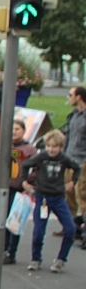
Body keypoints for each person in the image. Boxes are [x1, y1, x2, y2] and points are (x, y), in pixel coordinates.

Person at [21, 129, 81, 272]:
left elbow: (77, 168)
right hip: (42, 197)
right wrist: (24, 182)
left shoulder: (64, 159)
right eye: (48, 146)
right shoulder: (41, 157)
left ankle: (61, 259)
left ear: (60, 147)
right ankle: (36, 259)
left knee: (70, 228)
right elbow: (25, 165)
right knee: (38, 232)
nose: (51, 149)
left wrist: (72, 182)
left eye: (54, 146)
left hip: (58, 198)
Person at [0, 119, 37, 264]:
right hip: (5, 188)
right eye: (12, 129)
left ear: (23, 131)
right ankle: (2, 248)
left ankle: (11, 251)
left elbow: (36, 169)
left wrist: (27, 180)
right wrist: (3, 168)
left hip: (20, 190)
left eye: (17, 129)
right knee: (2, 219)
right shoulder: (5, 146)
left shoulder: (30, 149)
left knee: (15, 221)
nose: (14, 132)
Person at [61, 86, 86, 238]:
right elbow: (67, 135)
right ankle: (69, 227)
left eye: (70, 94)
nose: (68, 97)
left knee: (81, 195)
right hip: (69, 160)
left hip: (83, 161)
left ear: (79, 97)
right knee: (68, 195)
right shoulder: (73, 115)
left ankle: (84, 228)